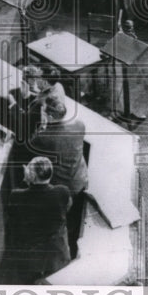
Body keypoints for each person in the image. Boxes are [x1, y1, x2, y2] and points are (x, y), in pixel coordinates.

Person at [29, 100, 88, 260]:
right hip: (80, 180)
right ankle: (75, 247)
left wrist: (42, 126)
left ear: (48, 115)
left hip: (62, 189)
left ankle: (63, 255)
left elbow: (31, 144)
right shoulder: (79, 125)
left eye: (43, 112)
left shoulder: (45, 137)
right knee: (75, 219)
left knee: (61, 223)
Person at [3, 156, 73, 283]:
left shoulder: (16, 196)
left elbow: (13, 217)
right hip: (57, 254)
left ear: (30, 175)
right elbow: (67, 207)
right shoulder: (63, 191)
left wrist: (26, 181)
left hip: (31, 259)